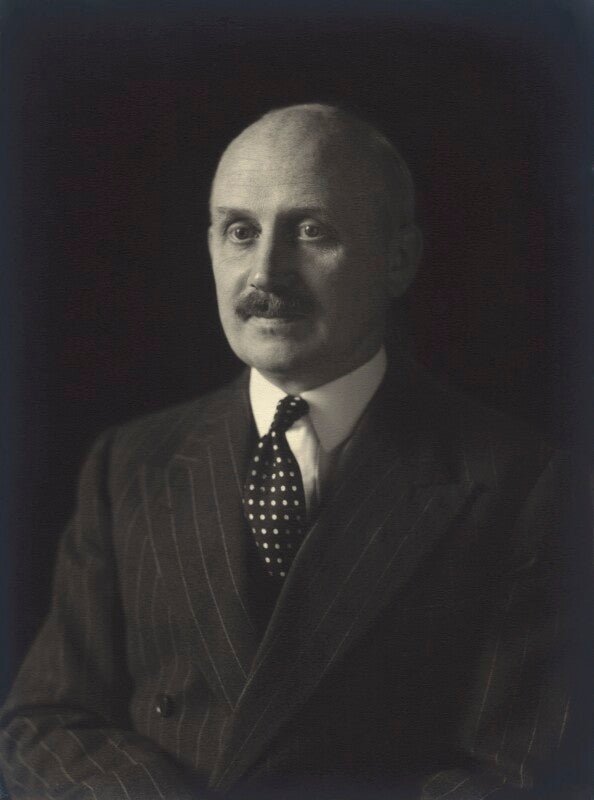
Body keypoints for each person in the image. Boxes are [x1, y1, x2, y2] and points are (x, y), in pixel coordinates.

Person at [0, 104, 590, 800]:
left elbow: (519, 773)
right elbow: (44, 722)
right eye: (240, 231)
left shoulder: (524, 483)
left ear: (399, 259)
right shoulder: (129, 462)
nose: (265, 274)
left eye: (311, 231)